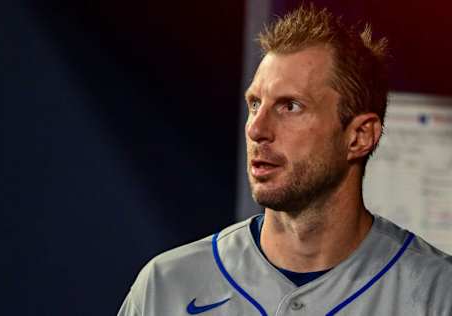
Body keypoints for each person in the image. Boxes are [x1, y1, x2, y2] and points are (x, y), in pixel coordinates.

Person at [117, 4, 452, 315]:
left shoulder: (438, 294)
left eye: (290, 106)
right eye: (254, 104)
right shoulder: (166, 287)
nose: (257, 129)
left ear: (359, 136)